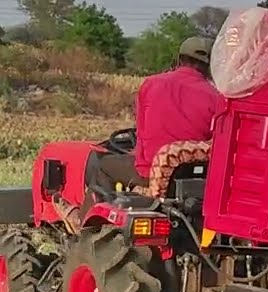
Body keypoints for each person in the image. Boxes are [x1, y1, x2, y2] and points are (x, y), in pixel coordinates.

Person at [88, 37, 222, 199]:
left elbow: (141, 133)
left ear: (179, 59)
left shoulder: (152, 84)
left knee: (102, 164)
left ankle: (90, 221)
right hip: (193, 179)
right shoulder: (216, 97)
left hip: (150, 173)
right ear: (210, 67)